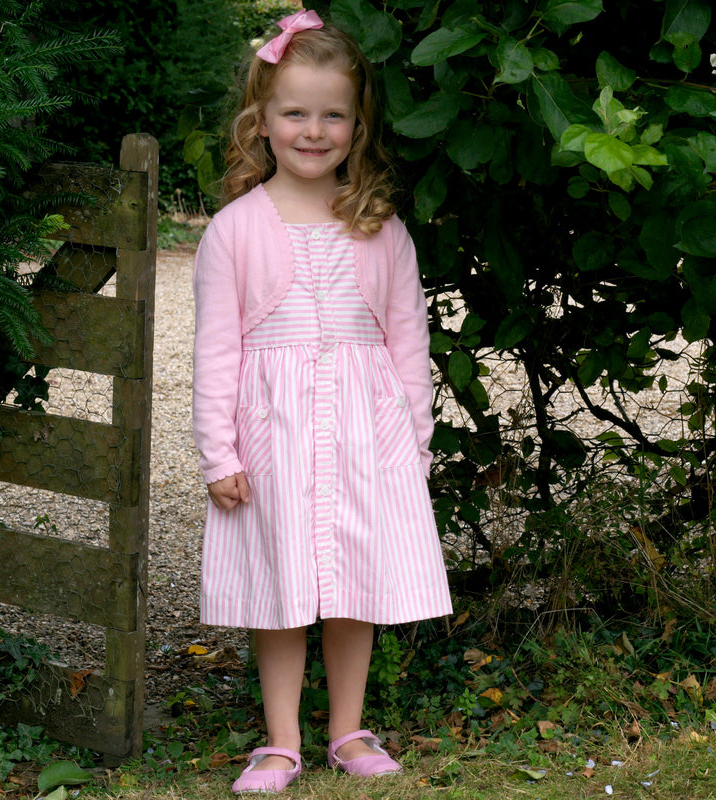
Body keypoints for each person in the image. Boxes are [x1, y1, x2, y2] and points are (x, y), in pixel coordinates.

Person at [191, 9, 453, 794]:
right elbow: (215, 353)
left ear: (357, 124)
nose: (314, 130)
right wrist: (219, 453)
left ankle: (347, 729)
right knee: (280, 586)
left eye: (333, 114)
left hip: (366, 438)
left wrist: (415, 442)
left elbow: (409, 343)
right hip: (275, 439)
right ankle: (278, 742)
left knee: (353, 582)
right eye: (295, 113)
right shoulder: (235, 231)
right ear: (262, 122)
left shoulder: (381, 229)